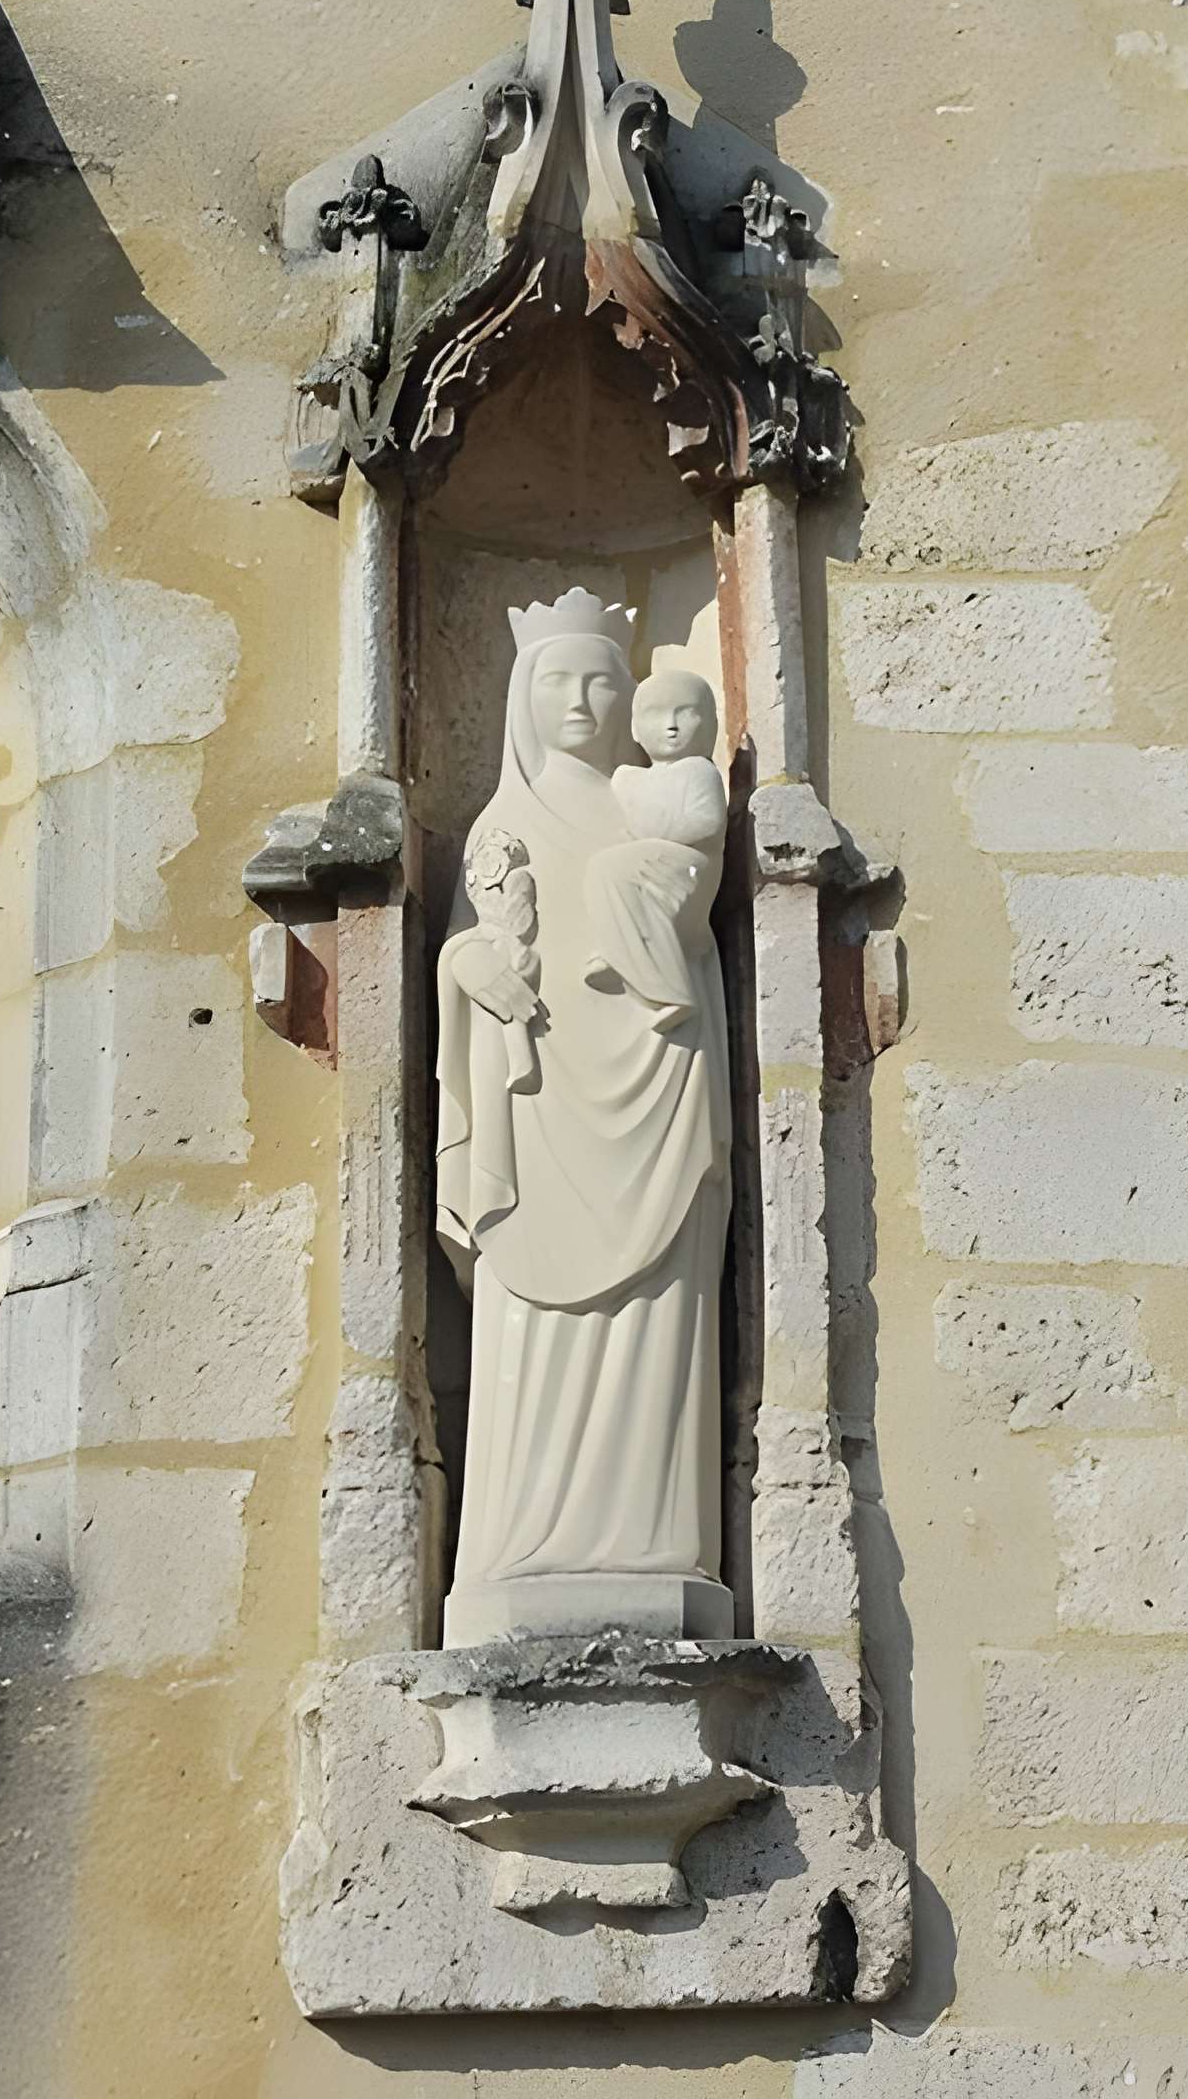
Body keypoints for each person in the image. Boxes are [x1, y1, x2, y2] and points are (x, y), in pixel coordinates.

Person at [433, 590, 733, 1643]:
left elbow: (690, 923)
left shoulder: (648, 802)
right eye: (557, 680)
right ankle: (522, 1552)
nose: (581, 699)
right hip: (542, 1107)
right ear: (522, 696)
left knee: (659, 1319)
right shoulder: (501, 822)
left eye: (601, 679)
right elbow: (467, 946)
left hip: (654, 1087)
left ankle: (659, 1550)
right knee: (528, 1321)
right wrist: (476, 968)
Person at [583, 668, 726, 1029]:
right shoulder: (632, 778)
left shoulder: (698, 771)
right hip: (653, 861)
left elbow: (707, 823)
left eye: (686, 712)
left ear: (709, 723)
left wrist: (653, 834)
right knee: (606, 869)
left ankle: (672, 992)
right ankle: (624, 952)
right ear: (634, 727)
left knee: (613, 868)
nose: (672, 725)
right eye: (656, 713)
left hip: (690, 866)